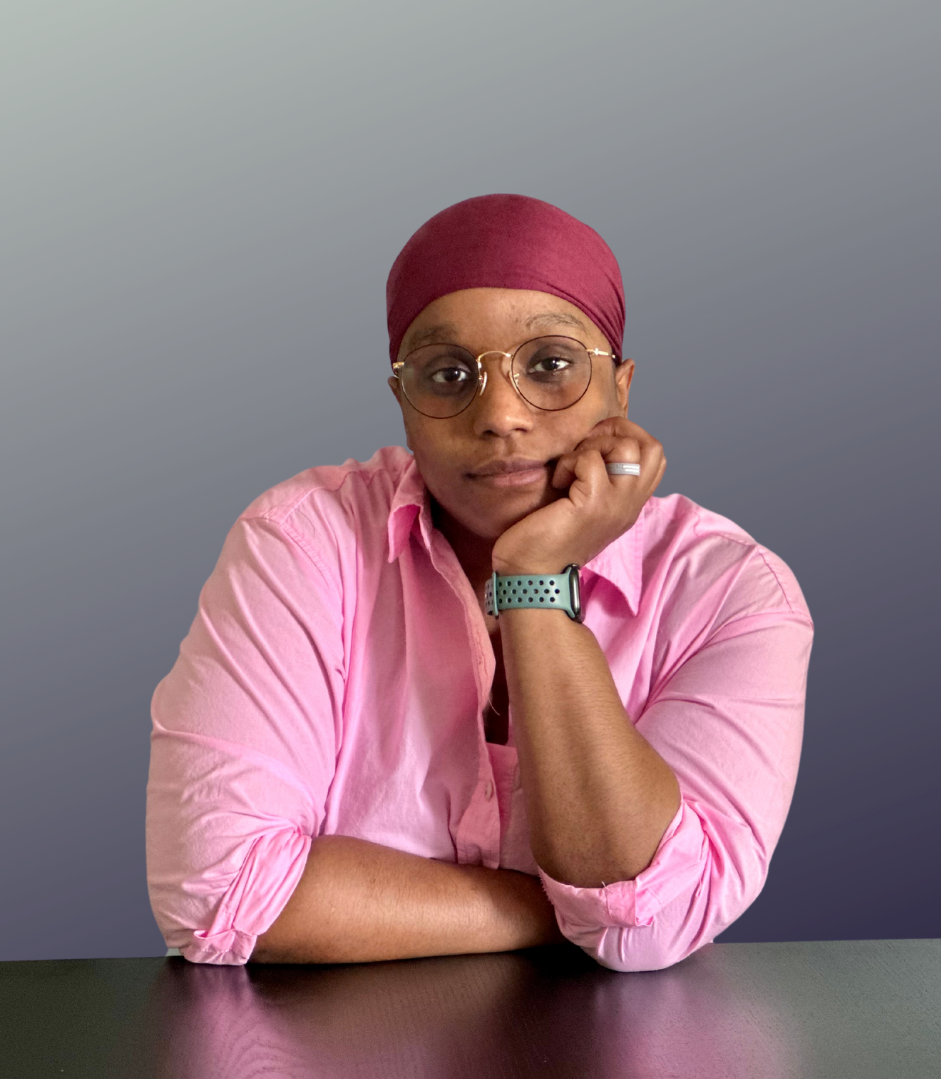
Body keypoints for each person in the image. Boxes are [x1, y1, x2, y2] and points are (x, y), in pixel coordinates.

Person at [146, 194, 813, 972]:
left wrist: (535, 577)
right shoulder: (303, 542)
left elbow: (652, 927)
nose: (499, 414)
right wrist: (564, 911)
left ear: (621, 388)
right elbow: (218, 891)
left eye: (551, 364)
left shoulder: (731, 594)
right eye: (447, 373)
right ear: (403, 401)